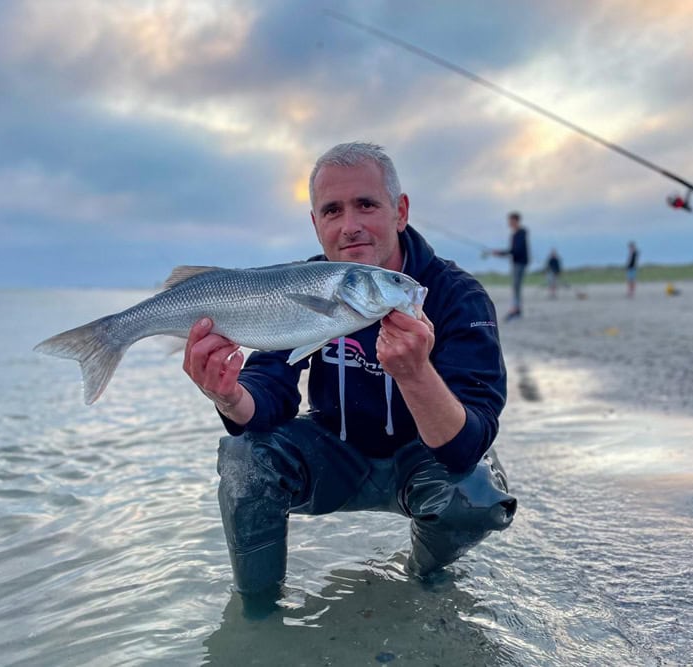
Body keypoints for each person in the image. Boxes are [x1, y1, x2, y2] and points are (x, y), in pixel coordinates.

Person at [182, 142, 516, 613]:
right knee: (244, 459)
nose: (349, 225)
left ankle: (425, 582)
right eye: (332, 210)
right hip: (337, 452)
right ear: (315, 224)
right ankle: (256, 618)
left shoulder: (457, 296)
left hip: (426, 459)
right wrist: (229, 396)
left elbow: (468, 442)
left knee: (474, 494)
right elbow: (270, 388)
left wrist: (415, 374)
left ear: (400, 211)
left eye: (366, 204)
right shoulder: (303, 284)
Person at [488, 211, 529, 320]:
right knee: (516, 287)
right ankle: (517, 309)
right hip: (517, 263)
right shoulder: (516, 234)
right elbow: (514, 251)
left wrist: (501, 253)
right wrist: (500, 253)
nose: (509, 223)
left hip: (520, 263)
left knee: (516, 286)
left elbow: (516, 250)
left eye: (511, 220)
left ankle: (516, 310)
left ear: (516, 220)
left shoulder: (521, 232)